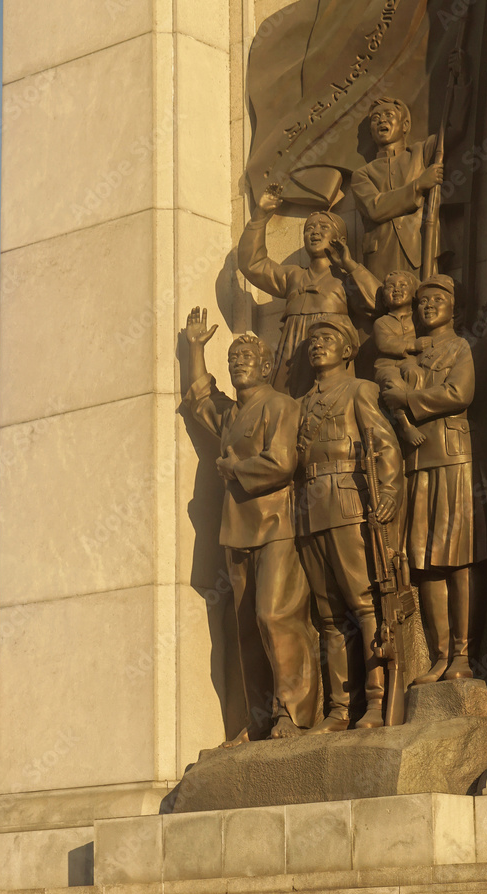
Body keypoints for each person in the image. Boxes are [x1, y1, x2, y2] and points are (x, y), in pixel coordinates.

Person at [183, 307, 319, 743]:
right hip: (237, 531)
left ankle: (294, 713)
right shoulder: (232, 415)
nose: (238, 364)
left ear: (265, 367)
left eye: (247, 359)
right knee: (244, 628)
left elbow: (282, 462)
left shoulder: (280, 405)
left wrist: (235, 469)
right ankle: (258, 718)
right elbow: (202, 400)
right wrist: (194, 350)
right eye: (232, 360)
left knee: (275, 615)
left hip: (277, 526)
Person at [381, 275, 487, 683]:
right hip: (417, 463)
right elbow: (387, 390)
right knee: (424, 559)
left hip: (454, 457)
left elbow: (459, 393)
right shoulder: (407, 361)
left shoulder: (461, 346)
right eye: (422, 301)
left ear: (453, 308)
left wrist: (408, 400)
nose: (427, 306)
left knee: (460, 556)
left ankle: (463, 653)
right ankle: (440, 654)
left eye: (436, 300)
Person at [295, 314, 403, 731]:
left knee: (364, 604)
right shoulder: (301, 403)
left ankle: (376, 702)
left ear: (346, 349)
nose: (316, 345)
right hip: (309, 510)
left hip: (347, 505)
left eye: (326, 338)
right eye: (313, 340)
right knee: (327, 614)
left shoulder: (359, 391)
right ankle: (340, 708)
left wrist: (390, 492)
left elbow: (384, 445)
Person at [238, 183, 379, 397]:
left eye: (323, 228)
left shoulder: (346, 278)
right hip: (292, 353)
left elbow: (378, 302)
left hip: (331, 353)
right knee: (288, 411)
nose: (315, 232)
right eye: (309, 229)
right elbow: (252, 263)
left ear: (340, 239)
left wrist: (349, 265)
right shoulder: (293, 276)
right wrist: (261, 215)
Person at [350, 52, 471, 281]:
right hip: (381, 260)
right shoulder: (362, 175)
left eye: (388, 115)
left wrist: (461, 80)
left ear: (405, 125)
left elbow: (454, 128)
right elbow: (375, 208)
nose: (381, 121)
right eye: (375, 119)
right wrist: (418, 185)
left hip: (422, 245)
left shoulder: (422, 152)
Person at [373, 270, 426, 447]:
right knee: (392, 382)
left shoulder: (419, 318)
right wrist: (413, 345)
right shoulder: (381, 322)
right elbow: (384, 344)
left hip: (411, 363)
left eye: (403, 286)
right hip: (386, 366)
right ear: (383, 299)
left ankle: (417, 416)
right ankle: (404, 425)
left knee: (415, 373)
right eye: (391, 287)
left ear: (413, 294)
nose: (396, 290)